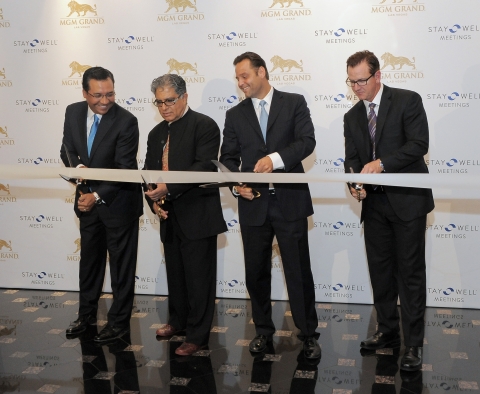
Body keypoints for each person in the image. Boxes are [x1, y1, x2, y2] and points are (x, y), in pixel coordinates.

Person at [220, 52, 321, 360]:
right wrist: (238, 186)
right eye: (237, 78)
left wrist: (274, 160)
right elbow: (226, 160)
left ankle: (308, 334)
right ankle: (263, 332)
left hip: (290, 202)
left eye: (244, 76)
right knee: (256, 272)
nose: (241, 83)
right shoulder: (235, 115)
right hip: (254, 205)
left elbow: (307, 142)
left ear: (261, 72)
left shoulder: (294, 103)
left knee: (298, 271)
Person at [343, 50, 434, 371]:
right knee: (380, 273)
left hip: (408, 201)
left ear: (377, 75)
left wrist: (381, 164)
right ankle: (388, 332)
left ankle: (414, 344)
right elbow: (352, 160)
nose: (356, 87)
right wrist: (355, 183)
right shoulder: (352, 116)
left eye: (361, 81)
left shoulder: (407, 100)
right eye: (351, 82)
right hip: (375, 206)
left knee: (410, 274)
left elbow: (418, 144)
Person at [143, 74, 227, 356]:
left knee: (199, 280)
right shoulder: (155, 134)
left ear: (185, 97)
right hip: (168, 214)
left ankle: (197, 335)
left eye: (170, 100)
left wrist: (168, 187)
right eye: (159, 102)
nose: (164, 107)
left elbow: (204, 168)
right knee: (176, 276)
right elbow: (147, 174)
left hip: (198, 215)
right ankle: (177, 323)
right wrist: (152, 200)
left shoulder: (204, 125)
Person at [60, 66, 143, 343]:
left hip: (118, 204)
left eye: (110, 94)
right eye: (97, 95)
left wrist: (95, 196)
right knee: (90, 263)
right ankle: (86, 317)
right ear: (85, 93)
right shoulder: (73, 112)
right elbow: (67, 151)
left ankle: (119, 323)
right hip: (87, 203)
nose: (104, 101)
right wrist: (82, 185)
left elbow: (124, 168)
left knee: (121, 268)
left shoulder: (127, 121)